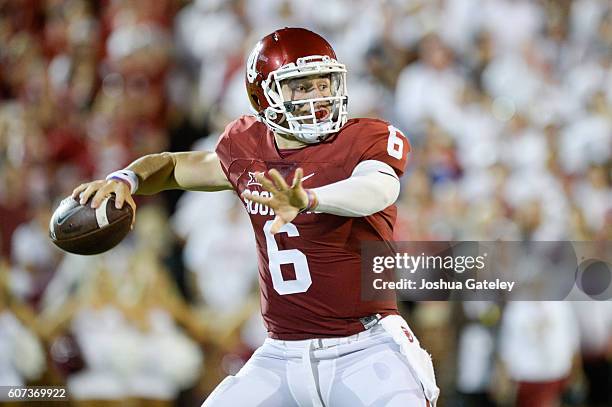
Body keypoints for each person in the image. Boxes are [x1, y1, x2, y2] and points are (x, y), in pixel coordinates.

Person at [72, 27, 439, 407]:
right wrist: (126, 179)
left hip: (367, 347)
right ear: (264, 96)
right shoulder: (246, 148)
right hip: (279, 353)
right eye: (301, 87)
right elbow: (174, 167)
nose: (319, 98)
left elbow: (379, 189)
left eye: (324, 83)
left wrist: (310, 198)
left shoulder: (363, 138)